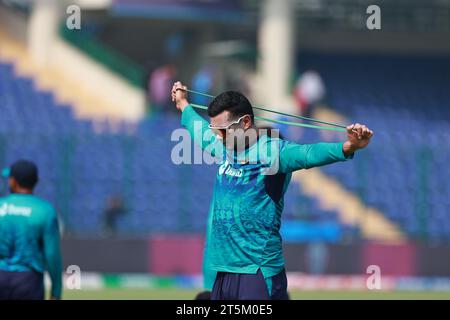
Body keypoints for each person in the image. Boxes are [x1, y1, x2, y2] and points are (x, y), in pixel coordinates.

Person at [171, 81, 373, 300]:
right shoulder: (224, 147)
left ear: (246, 122)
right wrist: (183, 103)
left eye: (222, 130)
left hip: (257, 272)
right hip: (224, 272)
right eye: (215, 130)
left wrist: (348, 146)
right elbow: (198, 130)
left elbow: (307, 154)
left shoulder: (272, 152)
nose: (217, 135)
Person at [0, 160, 62, 300]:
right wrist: (56, 291)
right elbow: (52, 255)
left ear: (13, 181)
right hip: (28, 282)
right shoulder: (45, 211)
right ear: (36, 181)